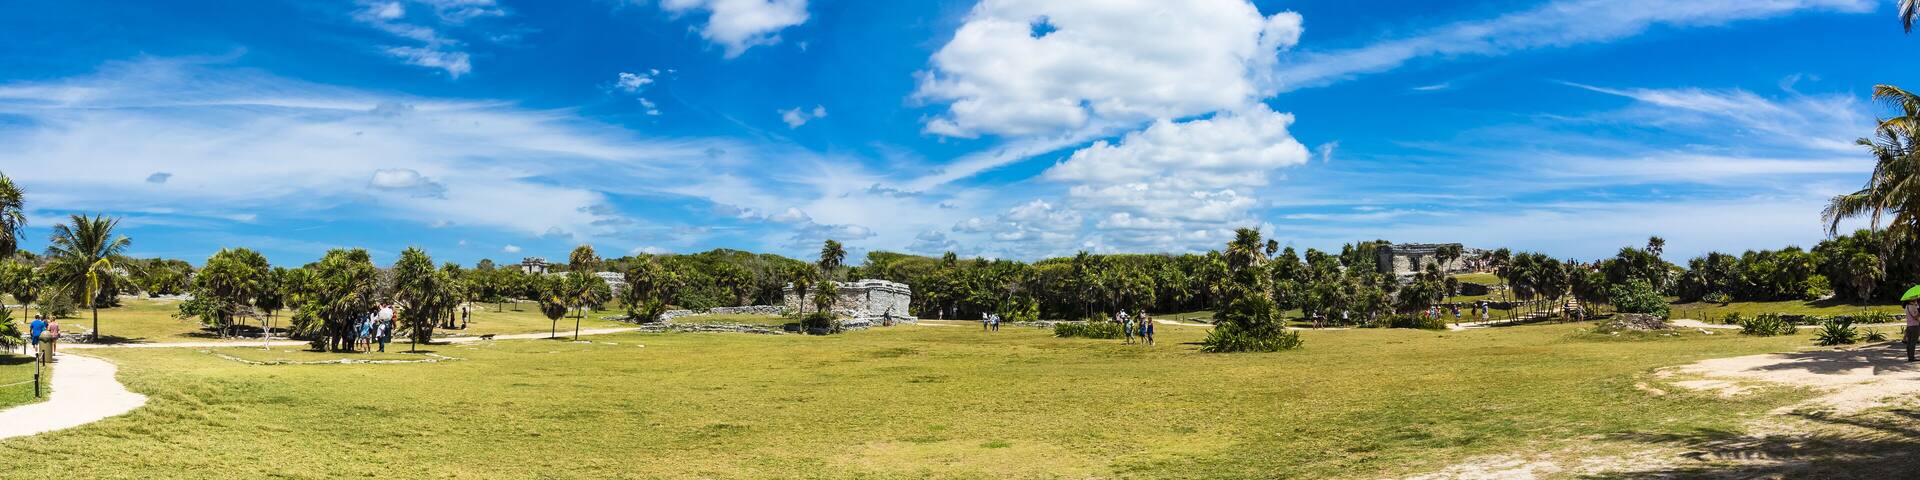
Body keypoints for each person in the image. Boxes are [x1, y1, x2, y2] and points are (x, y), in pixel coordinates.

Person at [1906, 298, 1920, 362]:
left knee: (1909, 342)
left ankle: (1910, 357)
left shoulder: (1907, 306)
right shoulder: (1912, 307)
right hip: (1914, 326)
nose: (1916, 299)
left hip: (1909, 326)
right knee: (1913, 342)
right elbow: (1915, 317)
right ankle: (1912, 358)